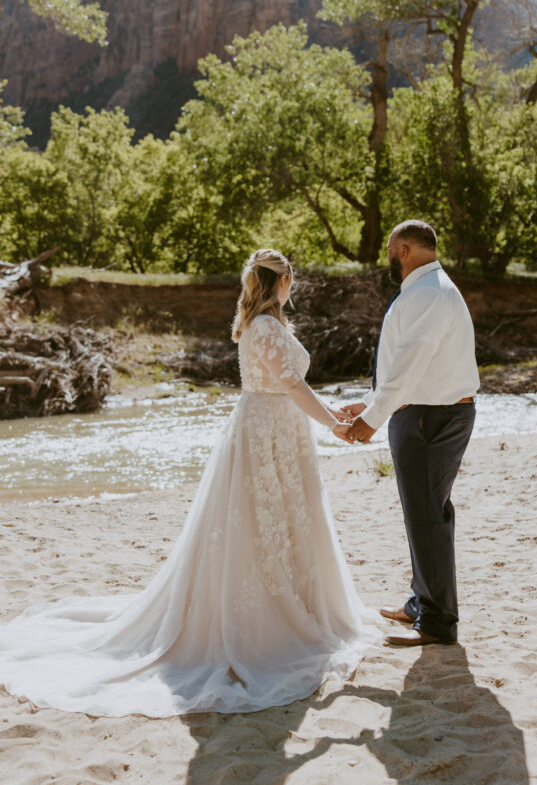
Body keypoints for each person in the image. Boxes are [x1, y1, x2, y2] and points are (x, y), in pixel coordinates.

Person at [0, 249, 380, 717]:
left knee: (286, 516)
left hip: (277, 427)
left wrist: (331, 411)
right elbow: (291, 385)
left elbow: (294, 385)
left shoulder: (263, 324)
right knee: (262, 522)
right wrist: (333, 425)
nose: (292, 284)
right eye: (290, 277)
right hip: (267, 431)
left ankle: (297, 600)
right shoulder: (263, 326)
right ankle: (263, 622)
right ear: (282, 281)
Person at [342, 220, 479, 647]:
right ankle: (424, 602)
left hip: (429, 418)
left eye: (388, 250)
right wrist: (372, 404)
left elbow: (412, 361)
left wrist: (373, 418)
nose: (386, 257)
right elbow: (413, 367)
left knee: (427, 517)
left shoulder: (429, 293)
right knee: (426, 514)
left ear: (402, 249)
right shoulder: (428, 289)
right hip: (427, 412)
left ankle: (438, 622)